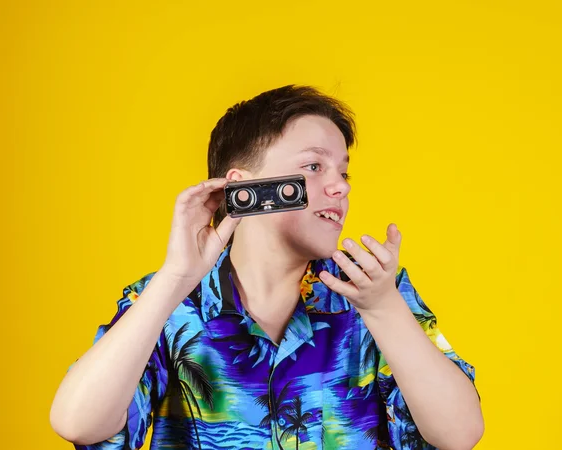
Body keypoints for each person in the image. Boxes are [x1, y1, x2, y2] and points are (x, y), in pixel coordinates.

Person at [50, 85, 484, 450]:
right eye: (313, 167)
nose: (340, 186)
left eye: (344, 173)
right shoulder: (169, 304)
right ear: (243, 189)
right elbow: (78, 423)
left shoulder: (374, 291)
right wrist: (175, 279)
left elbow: (459, 434)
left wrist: (384, 309)